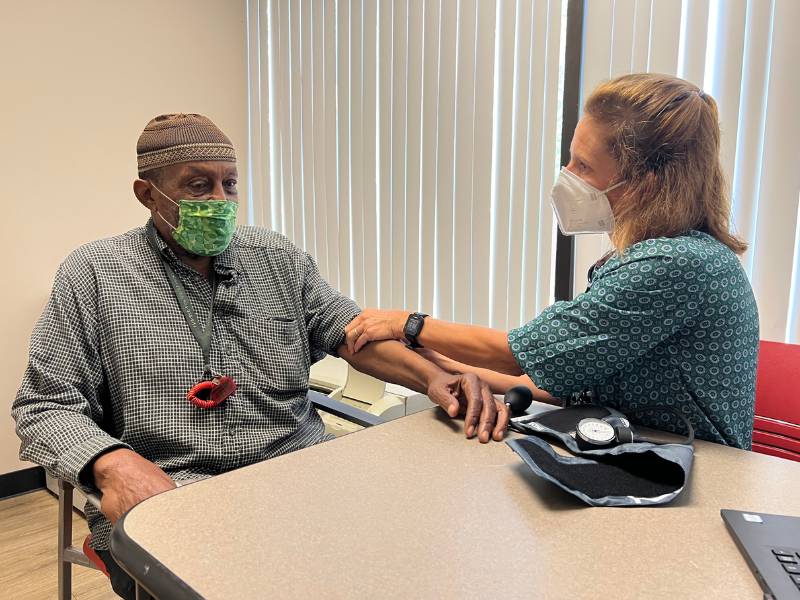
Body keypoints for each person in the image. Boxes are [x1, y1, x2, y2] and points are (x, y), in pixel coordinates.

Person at [11, 114, 507, 600]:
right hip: (178, 491)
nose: (221, 201)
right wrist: (113, 465)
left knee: (403, 555)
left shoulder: (274, 257)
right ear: (147, 194)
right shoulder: (93, 275)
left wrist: (432, 377)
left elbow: (351, 332)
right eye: (199, 186)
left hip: (298, 473)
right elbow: (43, 405)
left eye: (230, 184)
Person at [345, 73, 759, 450]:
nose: (568, 175)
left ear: (643, 184)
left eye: (584, 166)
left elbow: (520, 352)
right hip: (639, 449)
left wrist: (410, 324)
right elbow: (558, 381)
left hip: (692, 471)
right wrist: (439, 366)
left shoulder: (673, 264)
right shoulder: (667, 252)